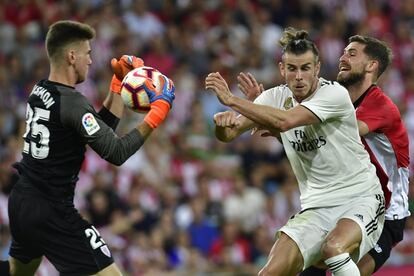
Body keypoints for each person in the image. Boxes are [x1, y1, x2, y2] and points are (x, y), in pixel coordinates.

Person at [205, 27, 385, 276]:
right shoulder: (274, 98)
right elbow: (230, 135)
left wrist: (233, 100)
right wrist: (221, 125)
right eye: (292, 69)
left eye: (305, 68)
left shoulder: (334, 94)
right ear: (282, 69)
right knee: (268, 273)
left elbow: (285, 122)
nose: (299, 76)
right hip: (316, 207)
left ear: (317, 68)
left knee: (334, 249)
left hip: (360, 196)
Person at [0, 20, 175, 276]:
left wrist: (117, 84)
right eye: (88, 54)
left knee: (17, 273)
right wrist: (155, 116)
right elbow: (115, 153)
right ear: (72, 56)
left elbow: (98, 133)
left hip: (22, 202)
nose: (91, 61)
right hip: (52, 210)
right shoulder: (73, 103)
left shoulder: (40, 90)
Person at [299, 36, 410, 276]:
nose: (342, 58)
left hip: (386, 212)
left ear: (371, 65)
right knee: (306, 268)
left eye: (352, 54)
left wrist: (284, 122)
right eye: (343, 53)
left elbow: (343, 134)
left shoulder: (380, 105)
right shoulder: (336, 98)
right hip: (346, 201)